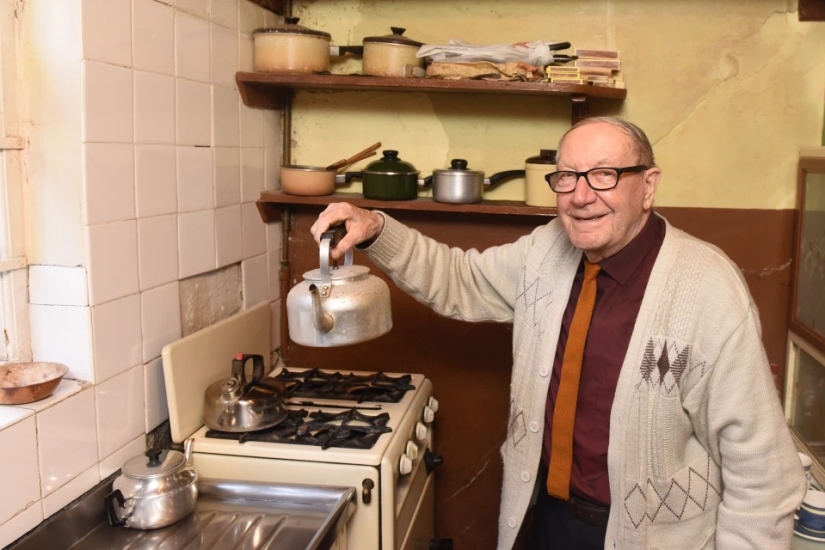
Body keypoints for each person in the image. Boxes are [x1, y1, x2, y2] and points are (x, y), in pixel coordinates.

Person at [310, 117, 806, 549]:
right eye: (567, 177)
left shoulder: (706, 287)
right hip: (546, 517)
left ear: (648, 186)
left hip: (652, 535)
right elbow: (460, 280)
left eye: (604, 175)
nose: (581, 196)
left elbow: (762, 472)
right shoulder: (547, 252)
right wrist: (376, 227)